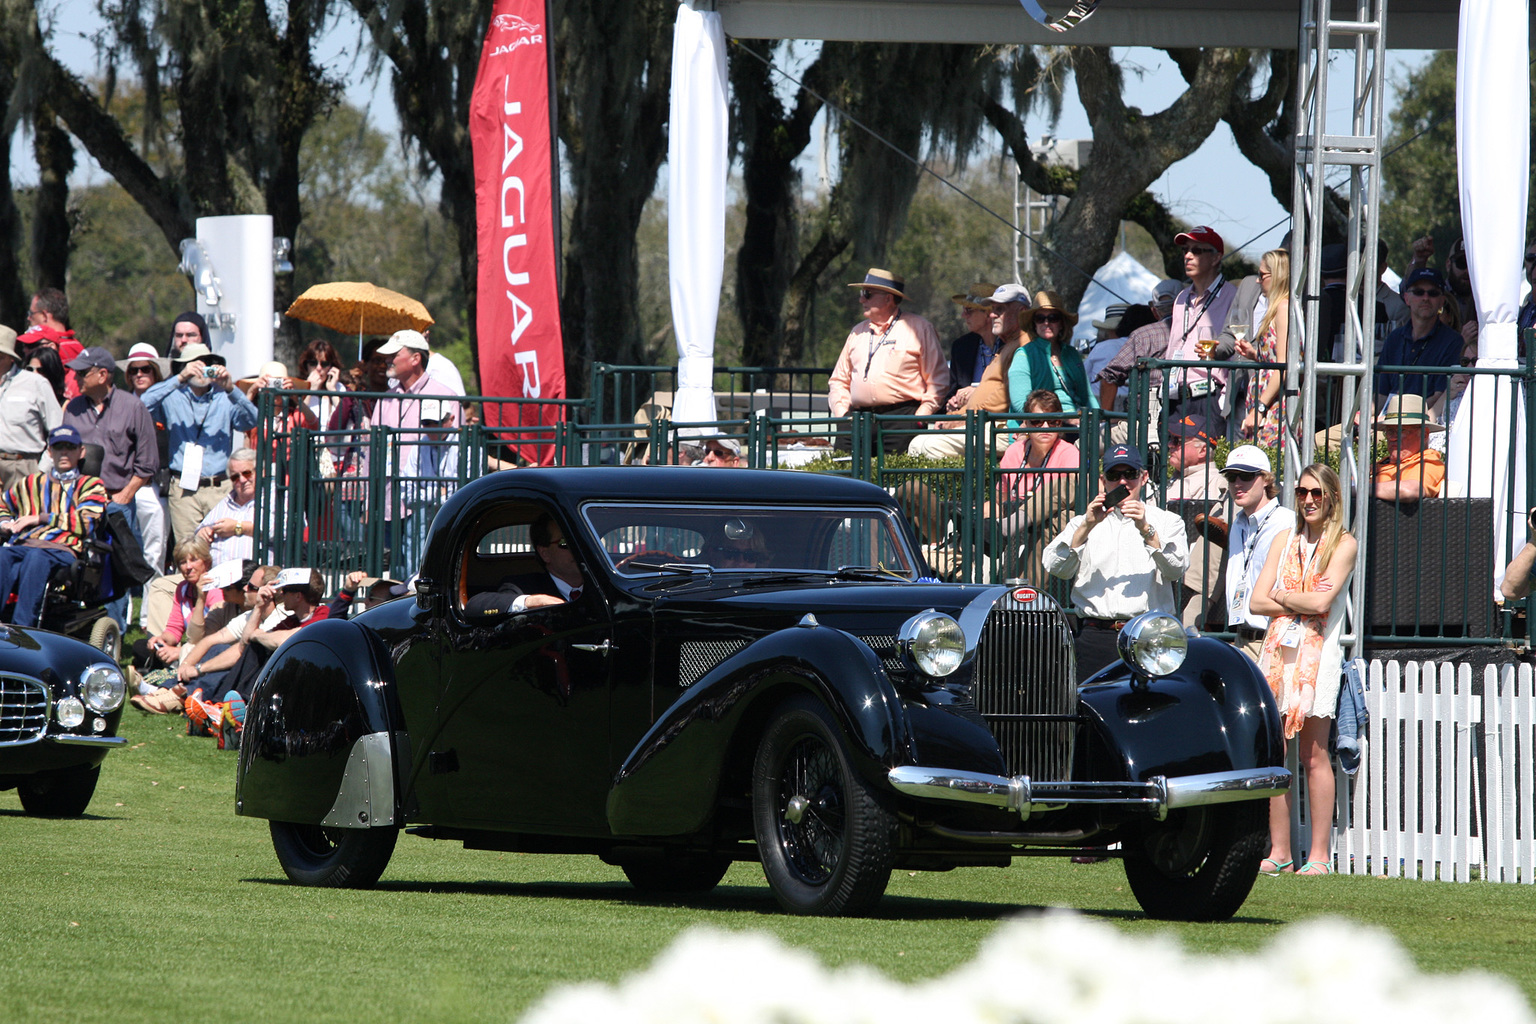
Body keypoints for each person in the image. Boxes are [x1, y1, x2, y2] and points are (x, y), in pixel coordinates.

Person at [1250, 463, 1358, 876]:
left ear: (1331, 496)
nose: (1309, 500)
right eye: (1301, 492)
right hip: (1278, 652)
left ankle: (1318, 855)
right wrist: (1295, 596)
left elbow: (1320, 605)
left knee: (1314, 754)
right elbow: (1256, 602)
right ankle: (1279, 850)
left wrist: (1282, 594)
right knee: (1276, 754)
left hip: (1319, 653)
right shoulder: (1284, 538)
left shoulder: (1343, 543)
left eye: (1317, 492)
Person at [1042, 444, 1189, 682]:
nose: (1122, 482)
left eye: (1130, 474)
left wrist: (1146, 530)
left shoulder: (1167, 521)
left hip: (1149, 635)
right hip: (1095, 635)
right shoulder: (1082, 522)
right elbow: (1057, 568)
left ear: (1144, 477)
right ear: (1103, 480)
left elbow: (1176, 569)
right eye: (1114, 475)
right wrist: (1087, 526)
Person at [62, 346, 160, 628]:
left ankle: (112, 633)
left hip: (115, 501)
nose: (76, 377)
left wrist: (125, 494)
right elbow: (62, 454)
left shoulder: (133, 407)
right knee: (76, 566)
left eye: (83, 372)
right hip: (77, 503)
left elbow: (147, 461)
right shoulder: (74, 408)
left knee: (113, 571)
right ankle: (78, 629)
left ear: (103, 374)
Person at [140, 342, 259, 548]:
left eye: (205, 364)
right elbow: (143, 404)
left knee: (222, 547)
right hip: (184, 489)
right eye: (193, 364)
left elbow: (252, 420)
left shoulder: (225, 396)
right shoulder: (172, 395)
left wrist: (231, 387)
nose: (199, 369)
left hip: (220, 488)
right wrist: (179, 378)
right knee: (188, 551)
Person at [827, 268, 948, 455]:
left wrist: (920, 417)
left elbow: (938, 380)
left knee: (897, 480)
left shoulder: (919, 329)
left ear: (888, 298)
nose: (861, 300)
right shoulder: (857, 332)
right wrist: (843, 414)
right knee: (844, 477)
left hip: (901, 418)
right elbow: (838, 380)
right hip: (857, 418)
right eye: (862, 294)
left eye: (867, 294)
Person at [0, 425, 108, 627]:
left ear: (81, 451)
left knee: (37, 557)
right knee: (3, 555)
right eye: (58, 447)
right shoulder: (31, 483)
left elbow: (87, 522)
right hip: (24, 544)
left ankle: (23, 628)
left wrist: (40, 518)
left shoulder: (91, 484)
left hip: (62, 548)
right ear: (49, 452)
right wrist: (5, 522)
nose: (64, 452)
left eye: (70, 447)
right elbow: (3, 503)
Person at [372, 329, 458, 579]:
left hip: (428, 507)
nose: (387, 360)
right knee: (394, 569)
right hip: (388, 498)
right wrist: (370, 498)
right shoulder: (385, 399)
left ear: (415, 358)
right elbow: (373, 448)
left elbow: (458, 447)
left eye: (394, 354)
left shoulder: (445, 395)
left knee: (420, 564)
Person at [908, 283, 1028, 459]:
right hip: (983, 422)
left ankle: (970, 487)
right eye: (992, 309)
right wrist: (955, 414)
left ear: (1021, 312)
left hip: (1001, 427)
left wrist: (960, 417)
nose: (993, 314)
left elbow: (1002, 397)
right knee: (920, 443)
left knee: (924, 446)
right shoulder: (1006, 346)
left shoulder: (1023, 347)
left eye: (999, 309)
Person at [988, 390, 1081, 575]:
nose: (1045, 427)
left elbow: (1074, 497)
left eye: (1053, 421)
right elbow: (999, 501)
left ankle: (1023, 596)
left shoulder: (1069, 453)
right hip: (1014, 524)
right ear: (1026, 424)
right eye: (1038, 421)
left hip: (1048, 528)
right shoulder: (1015, 451)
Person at [1220, 445, 1295, 663]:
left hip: (1275, 638)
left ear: (1266, 479)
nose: (1237, 483)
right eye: (1232, 476)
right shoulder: (1238, 524)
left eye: (1246, 476)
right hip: (1242, 638)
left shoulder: (1286, 522)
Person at [1164, 226, 1237, 432]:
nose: (1188, 256)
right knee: (1171, 462)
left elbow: (1235, 347)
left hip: (1208, 398)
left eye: (1197, 250)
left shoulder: (1232, 296)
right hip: (1174, 397)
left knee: (1204, 462)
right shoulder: (1180, 298)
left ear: (1216, 258)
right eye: (1185, 250)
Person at [117, 342, 172, 575]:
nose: (139, 374)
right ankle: (126, 610)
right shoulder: (118, 403)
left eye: (145, 369)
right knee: (122, 552)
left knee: (155, 550)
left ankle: (151, 611)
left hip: (154, 486)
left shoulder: (169, 403)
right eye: (133, 370)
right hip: (122, 484)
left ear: (156, 372)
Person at [1377, 268, 1463, 412]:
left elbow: (1440, 396)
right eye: (1418, 292)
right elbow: (1380, 394)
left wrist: (1401, 415)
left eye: (1433, 293)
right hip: (1387, 422)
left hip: (1423, 424)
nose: (1425, 298)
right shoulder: (1394, 338)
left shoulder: (1454, 342)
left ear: (1442, 300)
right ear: (1406, 298)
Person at [464, 513, 585, 615]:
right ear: (544, 553)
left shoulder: (601, 584)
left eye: (581, 540)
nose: (578, 549)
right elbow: (475, 605)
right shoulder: (523, 586)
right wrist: (530, 601)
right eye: (565, 542)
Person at [1007, 290, 1096, 428]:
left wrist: (1098, 419)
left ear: (1061, 323)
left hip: (1078, 425)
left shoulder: (1071, 354)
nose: (1046, 323)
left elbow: (1088, 397)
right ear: (1034, 324)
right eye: (1040, 318)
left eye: (1053, 317)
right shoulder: (1023, 355)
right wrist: (1062, 419)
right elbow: (1021, 405)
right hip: (1041, 426)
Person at [132, 538, 212, 670]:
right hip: (191, 647)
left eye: (194, 560)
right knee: (141, 647)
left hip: (211, 650)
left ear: (207, 563)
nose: (188, 567)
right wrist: (161, 640)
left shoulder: (215, 591)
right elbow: (174, 627)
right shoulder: (183, 588)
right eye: (182, 562)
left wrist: (180, 652)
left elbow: (215, 637)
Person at [0, 324, 63, 492]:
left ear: (10, 358)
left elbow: (57, 429)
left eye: (0, 356)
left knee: (23, 516)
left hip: (23, 465)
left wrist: (41, 470)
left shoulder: (35, 383)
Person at [1241, 249, 1291, 446]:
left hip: (1274, 407)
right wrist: (1256, 355)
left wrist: (1259, 408)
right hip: (1267, 403)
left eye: (1262, 275)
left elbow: (1285, 365)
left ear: (1277, 275)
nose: (1257, 280)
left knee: (1266, 469)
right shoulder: (1277, 307)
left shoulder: (1283, 308)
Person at [1372, 394, 1446, 505]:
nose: (1392, 438)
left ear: (1424, 435)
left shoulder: (1429, 463)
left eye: (1401, 431)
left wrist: (1360, 490)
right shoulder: (1383, 463)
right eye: (1390, 431)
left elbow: (1410, 490)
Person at [196, 448, 258, 566]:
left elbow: (278, 531)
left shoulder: (274, 497)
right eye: (235, 477)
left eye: (246, 473)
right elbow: (200, 532)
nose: (242, 480)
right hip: (217, 578)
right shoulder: (226, 502)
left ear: (260, 471)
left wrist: (238, 527)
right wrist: (203, 532)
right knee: (161, 584)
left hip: (256, 577)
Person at [944, 282, 1000, 403]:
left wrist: (978, 391)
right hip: (965, 417)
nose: (963, 315)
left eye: (969, 310)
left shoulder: (1013, 345)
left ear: (988, 313)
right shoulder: (961, 347)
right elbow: (952, 392)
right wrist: (952, 402)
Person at [327, 571, 405, 620]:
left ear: (389, 604)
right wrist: (348, 590)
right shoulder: (364, 627)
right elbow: (334, 624)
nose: (365, 601)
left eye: (371, 598)